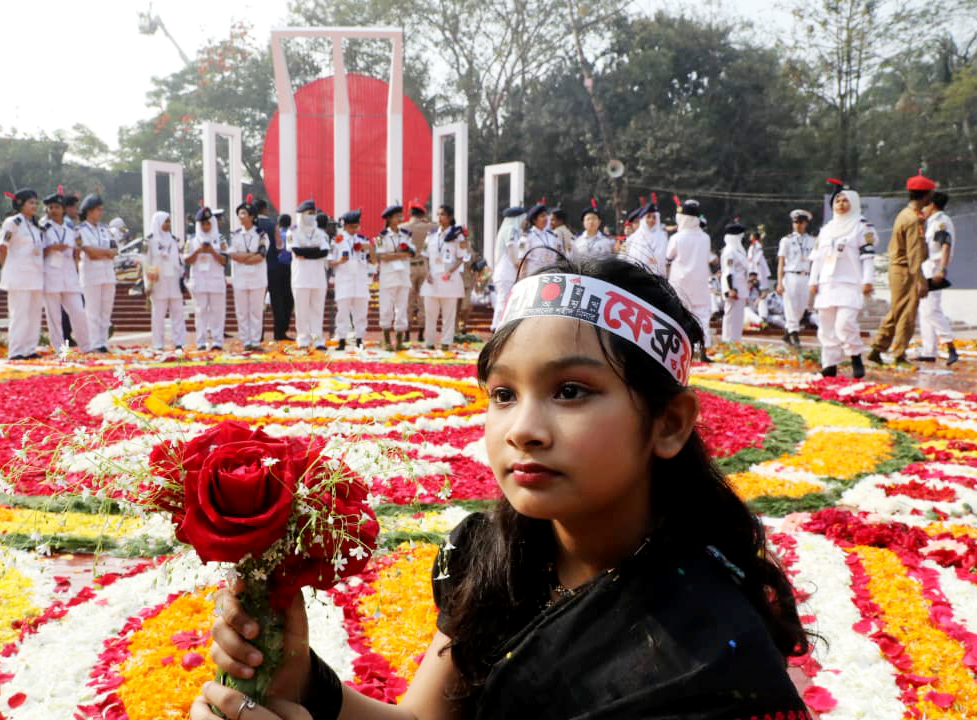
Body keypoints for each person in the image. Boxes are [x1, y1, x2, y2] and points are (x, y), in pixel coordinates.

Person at [197, 256, 811, 720]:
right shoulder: (492, 555)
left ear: (669, 424)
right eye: (503, 395)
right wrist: (304, 681)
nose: (523, 430)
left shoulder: (709, 659)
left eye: (571, 391)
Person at [809, 184, 875, 379]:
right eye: (837, 200)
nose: (841, 204)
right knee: (826, 326)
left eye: (845, 200)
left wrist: (868, 280)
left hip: (850, 283)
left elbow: (868, 257)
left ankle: (855, 356)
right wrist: (813, 280)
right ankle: (829, 365)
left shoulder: (861, 227)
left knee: (844, 324)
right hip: (827, 283)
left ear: (853, 203)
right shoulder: (827, 229)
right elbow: (817, 257)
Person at [868, 174, 935, 365]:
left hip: (901, 269)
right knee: (907, 313)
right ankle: (899, 354)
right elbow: (914, 253)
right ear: (925, 195)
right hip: (906, 270)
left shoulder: (907, 215)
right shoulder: (913, 220)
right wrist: (920, 279)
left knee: (897, 310)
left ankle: (878, 347)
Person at [0, 189, 46, 360]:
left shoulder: (34, 225)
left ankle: (30, 349)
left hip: (35, 275)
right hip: (19, 276)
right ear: (20, 204)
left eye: (35, 203)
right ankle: (16, 350)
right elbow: (3, 247)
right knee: (19, 314)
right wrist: (6, 268)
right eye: (30, 203)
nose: (34, 206)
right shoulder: (13, 222)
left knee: (34, 314)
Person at [40, 192, 90, 353]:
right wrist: (52, 248)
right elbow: (37, 252)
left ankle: (87, 346)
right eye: (51, 207)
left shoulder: (70, 230)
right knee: (54, 316)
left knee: (79, 311)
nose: (54, 210)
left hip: (69, 275)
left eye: (57, 207)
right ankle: (60, 349)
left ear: (63, 210)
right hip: (51, 274)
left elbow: (77, 251)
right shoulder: (43, 229)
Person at [916, 191, 959, 365]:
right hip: (927, 268)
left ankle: (950, 346)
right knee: (925, 310)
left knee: (932, 309)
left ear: (932, 205)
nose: (922, 209)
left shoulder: (941, 222)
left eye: (925, 205)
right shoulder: (932, 222)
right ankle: (929, 350)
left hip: (934, 268)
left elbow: (945, 245)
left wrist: (941, 269)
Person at [667, 199, 713, 357]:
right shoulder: (705, 238)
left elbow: (668, 256)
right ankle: (703, 351)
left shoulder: (677, 238)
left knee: (680, 316)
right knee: (703, 317)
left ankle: (679, 350)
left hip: (680, 282)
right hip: (700, 283)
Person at [421, 205, 471, 349]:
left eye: (442, 215)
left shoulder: (458, 236)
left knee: (449, 314)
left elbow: (461, 257)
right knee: (430, 313)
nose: (439, 218)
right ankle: (429, 343)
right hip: (432, 279)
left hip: (449, 279)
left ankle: (446, 343)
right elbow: (425, 256)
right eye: (437, 215)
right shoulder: (431, 235)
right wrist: (426, 272)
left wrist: (450, 271)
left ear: (449, 217)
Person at [286, 200, 330, 351]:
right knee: (302, 310)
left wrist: (307, 252)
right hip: (301, 278)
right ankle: (303, 339)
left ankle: (318, 340)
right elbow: (296, 251)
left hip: (318, 277)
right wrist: (314, 252)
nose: (312, 216)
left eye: (313, 213)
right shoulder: (292, 232)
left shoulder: (321, 233)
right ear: (301, 215)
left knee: (318, 311)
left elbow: (324, 252)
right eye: (309, 213)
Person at [183, 206, 228, 352]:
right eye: (203, 223)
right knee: (200, 312)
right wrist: (198, 251)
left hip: (216, 281)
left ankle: (217, 342)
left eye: (208, 223)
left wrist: (212, 252)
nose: (206, 226)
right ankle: (201, 342)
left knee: (217, 312)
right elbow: (186, 260)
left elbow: (225, 260)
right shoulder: (192, 240)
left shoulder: (220, 239)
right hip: (199, 281)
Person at [76, 194, 117, 353]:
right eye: (98, 210)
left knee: (106, 311)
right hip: (91, 275)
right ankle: (93, 343)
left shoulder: (105, 229)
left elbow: (114, 251)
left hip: (107, 274)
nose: (100, 213)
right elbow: (89, 252)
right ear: (89, 211)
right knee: (92, 311)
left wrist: (103, 252)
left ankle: (103, 343)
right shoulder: (80, 230)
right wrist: (104, 253)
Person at [374, 203, 416, 350]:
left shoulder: (406, 235)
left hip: (403, 276)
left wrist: (393, 255)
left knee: (402, 309)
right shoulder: (381, 237)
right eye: (397, 216)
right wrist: (400, 254)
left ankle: (399, 341)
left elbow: (411, 252)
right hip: (388, 277)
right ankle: (386, 340)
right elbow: (381, 256)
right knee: (386, 309)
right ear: (389, 219)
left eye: (400, 216)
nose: (400, 218)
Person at [329, 210, 372, 350]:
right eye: (351, 226)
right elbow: (329, 262)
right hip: (344, 280)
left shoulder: (362, 239)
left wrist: (369, 248)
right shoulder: (337, 240)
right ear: (345, 226)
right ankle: (342, 339)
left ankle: (359, 339)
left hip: (360, 279)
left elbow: (372, 259)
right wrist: (340, 261)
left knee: (361, 311)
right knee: (342, 311)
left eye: (356, 226)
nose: (354, 229)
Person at [144, 210, 187, 351]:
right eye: (166, 221)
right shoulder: (150, 240)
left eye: (169, 221)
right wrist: (148, 284)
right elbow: (147, 262)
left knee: (178, 312)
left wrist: (183, 281)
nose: (168, 224)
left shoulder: (173, 239)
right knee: (158, 315)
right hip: (158, 281)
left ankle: (179, 342)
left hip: (174, 280)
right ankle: (158, 344)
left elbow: (179, 262)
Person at [229, 200, 269, 351]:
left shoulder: (261, 235)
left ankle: (255, 342)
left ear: (252, 216)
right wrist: (251, 255)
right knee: (242, 311)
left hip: (257, 278)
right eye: (239, 213)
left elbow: (261, 256)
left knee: (256, 311)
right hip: (240, 278)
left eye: (244, 213)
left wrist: (244, 257)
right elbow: (233, 255)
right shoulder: (235, 235)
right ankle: (246, 341)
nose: (241, 216)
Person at [776, 209, 814, 347]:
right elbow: (781, 262)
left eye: (801, 222)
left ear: (806, 223)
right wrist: (779, 282)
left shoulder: (812, 241)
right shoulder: (786, 240)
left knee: (801, 307)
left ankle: (788, 333)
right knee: (791, 306)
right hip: (791, 275)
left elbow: (814, 262)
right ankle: (794, 336)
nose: (798, 225)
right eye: (795, 222)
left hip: (806, 276)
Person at [400, 202, 436, 342]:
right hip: (424, 266)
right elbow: (438, 227)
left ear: (410, 213)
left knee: (407, 301)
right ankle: (421, 332)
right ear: (422, 214)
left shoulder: (402, 227)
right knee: (423, 301)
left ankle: (407, 333)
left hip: (408, 266)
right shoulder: (430, 227)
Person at [260, 203, 294, 342]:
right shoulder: (286, 232)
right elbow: (284, 248)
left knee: (256, 302)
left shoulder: (255, 225)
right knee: (281, 301)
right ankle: (279, 332)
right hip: (281, 268)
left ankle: (258, 334)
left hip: (260, 265)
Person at [490, 206, 527, 331]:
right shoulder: (509, 229)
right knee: (503, 300)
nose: (524, 221)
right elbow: (511, 252)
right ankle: (496, 328)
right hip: (505, 273)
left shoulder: (517, 232)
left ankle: (501, 327)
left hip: (510, 273)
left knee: (508, 301)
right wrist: (519, 265)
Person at [719, 222, 750, 344]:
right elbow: (728, 271)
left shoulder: (738, 251)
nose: (742, 238)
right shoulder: (729, 252)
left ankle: (736, 341)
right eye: (740, 236)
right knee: (731, 316)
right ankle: (728, 341)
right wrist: (731, 289)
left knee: (738, 317)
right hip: (733, 288)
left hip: (741, 288)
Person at [623, 203, 668, 275]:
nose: (651, 220)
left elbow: (666, 259)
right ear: (643, 219)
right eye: (648, 217)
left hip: (657, 278)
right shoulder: (634, 238)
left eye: (654, 217)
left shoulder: (662, 237)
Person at [520, 203, 561, 272]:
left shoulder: (552, 236)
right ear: (534, 220)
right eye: (542, 216)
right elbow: (523, 259)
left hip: (551, 274)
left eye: (546, 216)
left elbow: (559, 254)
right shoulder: (525, 237)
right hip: (534, 275)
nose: (545, 218)